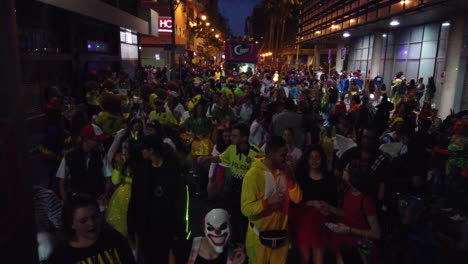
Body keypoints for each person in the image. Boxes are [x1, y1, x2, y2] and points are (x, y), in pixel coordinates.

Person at [241, 136, 303, 264]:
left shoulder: (285, 172)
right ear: (270, 154)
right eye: (282, 155)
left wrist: (291, 179)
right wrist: (267, 202)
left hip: (281, 239)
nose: (286, 158)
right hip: (259, 241)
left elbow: (297, 199)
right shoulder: (253, 175)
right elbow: (246, 209)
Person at [127, 135, 187, 264]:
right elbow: (135, 199)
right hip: (145, 227)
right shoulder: (141, 170)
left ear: (151, 150)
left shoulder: (172, 171)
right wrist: (131, 225)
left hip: (165, 228)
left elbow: (179, 203)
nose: (142, 151)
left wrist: (178, 229)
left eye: (144, 149)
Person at [200, 123, 263, 243]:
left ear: (244, 138)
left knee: (246, 218)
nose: (231, 138)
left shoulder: (256, 152)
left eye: (234, 136)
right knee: (233, 216)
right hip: (234, 187)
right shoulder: (231, 149)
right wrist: (208, 159)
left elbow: (262, 172)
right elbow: (220, 158)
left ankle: (247, 243)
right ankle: (234, 242)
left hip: (248, 190)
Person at [322, 160, 381, 264]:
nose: (342, 171)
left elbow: (376, 233)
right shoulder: (349, 192)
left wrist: (349, 230)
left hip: (360, 242)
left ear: (353, 176)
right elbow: (348, 214)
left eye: (345, 170)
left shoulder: (366, 199)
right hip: (346, 236)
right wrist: (330, 208)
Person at [48, 195, 135, 264]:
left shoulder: (114, 238)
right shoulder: (61, 256)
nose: (92, 224)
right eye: (83, 221)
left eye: (95, 217)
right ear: (71, 224)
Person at [289, 146, 337, 264]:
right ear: (307, 159)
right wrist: (310, 203)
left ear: (322, 159)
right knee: (305, 257)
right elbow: (295, 201)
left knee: (319, 257)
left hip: (322, 219)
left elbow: (334, 201)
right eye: (311, 158)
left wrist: (327, 207)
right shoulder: (301, 177)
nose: (314, 161)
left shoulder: (329, 178)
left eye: (317, 158)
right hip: (303, 219)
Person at [56, 124, 112, 202]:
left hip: (96, 200)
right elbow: (61, 181)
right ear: (86, 139)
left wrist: (105, 195)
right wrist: (65, 201)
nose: (100, 143)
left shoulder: (102, 156)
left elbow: (108, 178)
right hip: (76, 200)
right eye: (97, 140)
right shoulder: (69, 156)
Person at [174, 209, 247, 264]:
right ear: (204, 227)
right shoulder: (184, 249)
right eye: (211, 228)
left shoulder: (235, 254)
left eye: (223, 226)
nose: (217, 232)